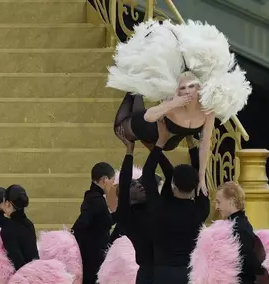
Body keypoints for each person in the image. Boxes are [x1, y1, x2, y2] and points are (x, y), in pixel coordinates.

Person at [107, 19, 253, 196]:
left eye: (191, 86)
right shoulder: (173, 102)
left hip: (165, 143)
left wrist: (202, 176)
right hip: (140, 127)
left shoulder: (207, 109)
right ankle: (136, 81)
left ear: (199, 88)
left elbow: (206, 142)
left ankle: (137, 83)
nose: (187, 91)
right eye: (182, 88)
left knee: (138, 91)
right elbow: (149, 117)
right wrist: (172, 103)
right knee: (123, 118)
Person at [112, 130, 199, 284]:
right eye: (132, 186)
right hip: (149, 276)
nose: (137, 185)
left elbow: (173, 177)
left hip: (161, 276)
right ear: (124, 196)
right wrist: (130, 153)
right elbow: (128, 181)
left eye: (141, 184)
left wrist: (152, 149)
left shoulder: (158, 208)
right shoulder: (126, 217)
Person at [142, 122, 210, 284]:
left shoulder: (159, 210)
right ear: (196, 186)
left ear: (170, 186)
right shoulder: (200, 210)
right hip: (191, 280)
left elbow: (148, 176)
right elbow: (199, 173)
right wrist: (193, 143)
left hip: (163, 278)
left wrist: (160, 142)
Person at [69, 162, 116, 284]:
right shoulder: (96, 201)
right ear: (104, 180)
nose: (113, 185)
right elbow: (81, 226)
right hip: (92, 267)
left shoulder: (92, 198)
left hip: (92, 265)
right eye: (112, 181)